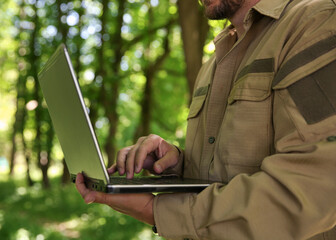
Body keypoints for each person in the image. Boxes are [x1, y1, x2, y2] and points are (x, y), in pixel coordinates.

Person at [76, 0, 336, 239]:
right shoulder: (215, 61)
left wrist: (155, 211)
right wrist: (175, 164)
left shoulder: (314, 21)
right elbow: (225, 172)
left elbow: (317, 188)